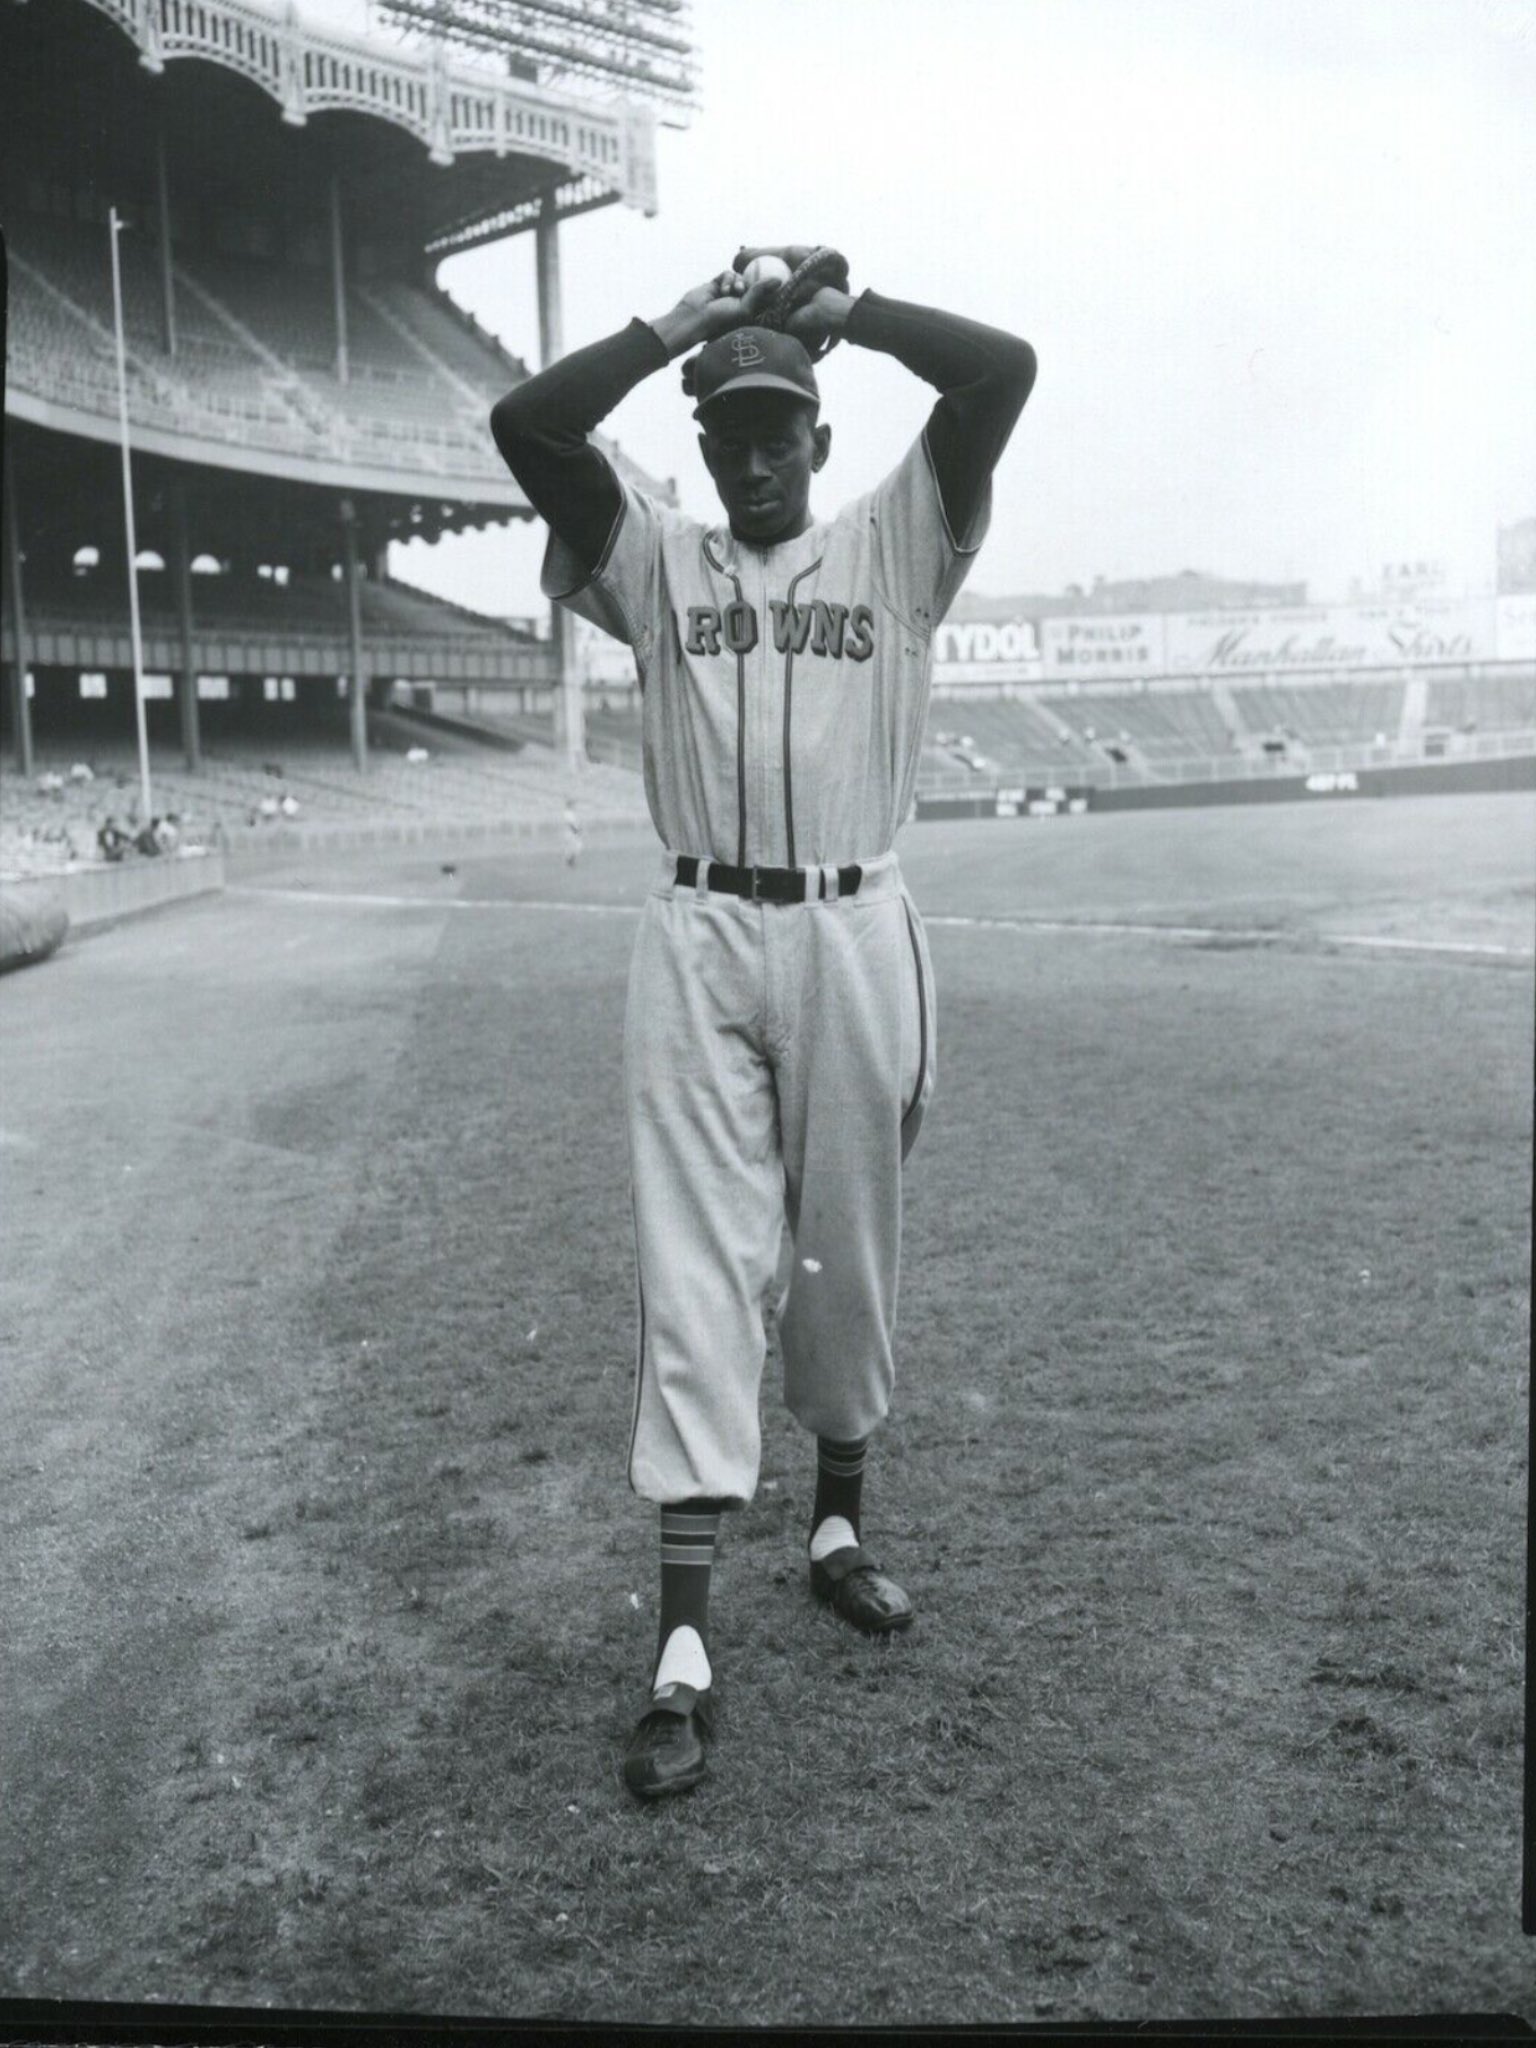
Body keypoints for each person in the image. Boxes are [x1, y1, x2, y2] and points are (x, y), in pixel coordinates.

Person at [490, 248, 1036, 1800]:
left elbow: (1002, 369)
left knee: (844, 1250)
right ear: (704, 440)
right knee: (697, 1265)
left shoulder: (899, 538)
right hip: (700, 931)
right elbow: (528, 427)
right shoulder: (655, 558)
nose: (750, 451)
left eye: (776, 424)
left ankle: (839, 1526)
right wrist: (680, 324)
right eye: (724, 426)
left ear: (820, 433)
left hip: (857, 919)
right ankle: (681, 1648)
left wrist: (835, 319)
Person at [562, 797, 583, 868]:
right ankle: (570, 861)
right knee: (576, 846)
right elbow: (569, 823)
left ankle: (570, 861)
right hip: (570, 833)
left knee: (576, 846)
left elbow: (574, 823)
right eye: (572, 804)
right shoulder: (567, 813)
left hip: (571, 832)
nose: (574, 806)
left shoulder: (570, 813)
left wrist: (578, 829)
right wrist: (576, 830)